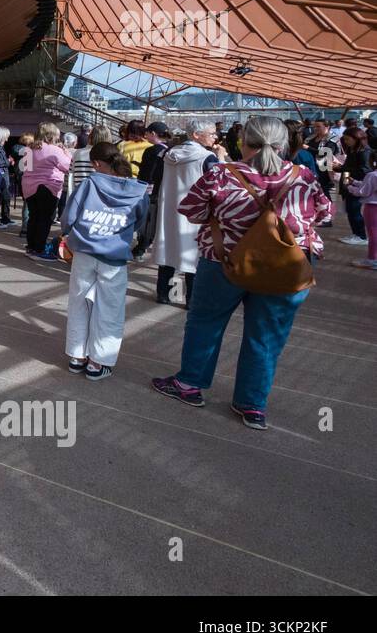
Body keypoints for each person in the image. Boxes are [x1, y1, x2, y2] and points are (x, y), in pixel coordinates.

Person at [151, 116, 332, 431]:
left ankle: (190, 384)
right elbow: (325, 213)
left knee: (206, 323)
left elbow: (191, 210)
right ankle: (252, 405)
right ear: (283, 144)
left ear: (241, 142)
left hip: (224, 262)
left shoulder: (222, 174)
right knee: (266, 337)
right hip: (286, 268)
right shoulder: (302, 176)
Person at [61, 142, 149, 380]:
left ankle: (77, 356)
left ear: (96, 164)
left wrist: (66, 233)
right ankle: (98, 362)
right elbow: (140, 221)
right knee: (109, 309)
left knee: (79, 304)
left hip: (85, 251)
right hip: (115, 255)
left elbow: (69, 215)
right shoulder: (137, 190)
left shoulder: (89, 184)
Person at [153, 120, 222, 305]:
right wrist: (222, 158)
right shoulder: (207, 157)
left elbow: (156, 178)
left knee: (168, 248)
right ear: (196, 135)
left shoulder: (167, 153)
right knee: (193, 254)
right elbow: (221, 182)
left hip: (168, 207)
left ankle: (163, 293)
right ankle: (191, 298)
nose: (215, 136)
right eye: (212, 133)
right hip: (195, 211)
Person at [21, 122, 72, 261]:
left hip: (29, 186)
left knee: (34, 217)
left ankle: (31, 247)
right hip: (49, 186)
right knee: (45, 219)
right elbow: (68, 166)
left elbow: (25, 168)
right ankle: (39, 249)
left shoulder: (28, 149)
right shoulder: (56, 150)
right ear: (52, 135)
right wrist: (66, 151)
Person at [133, 121, 171, 259]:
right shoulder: (171, 149)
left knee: (147, 220)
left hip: (148, 189)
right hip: (166, 189)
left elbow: (146, 173)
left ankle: (141, 248)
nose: (146, 136)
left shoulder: (151, 150)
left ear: (153, 133)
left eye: (147, 133)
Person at [336, 126, 372, 246]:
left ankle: (361, 236)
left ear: (357, 138)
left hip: (356, 184)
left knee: (354, 210)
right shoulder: (353, 150)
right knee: (350, 210)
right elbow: (347, 167)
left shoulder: (364, 152)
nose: (346, 142)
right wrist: (340, 168)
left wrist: (345, 171)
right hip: (348, 181)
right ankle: (356, 234)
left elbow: (365, 171)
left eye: (347, 139)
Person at [346, 168, 377, 269]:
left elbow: (363, 191)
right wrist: (354, 182)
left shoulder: (372, 175)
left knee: (373, 234)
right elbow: (367, 185)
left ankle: (372, 260)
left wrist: (349, 187)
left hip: (373, 207)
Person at [10, 132, 33, 237]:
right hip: (26, 179)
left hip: (24, 179)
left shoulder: (22, 150)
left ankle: (26, 228)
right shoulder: (21, 149)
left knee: (27, 204)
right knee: (28, 204)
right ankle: (25, 228)